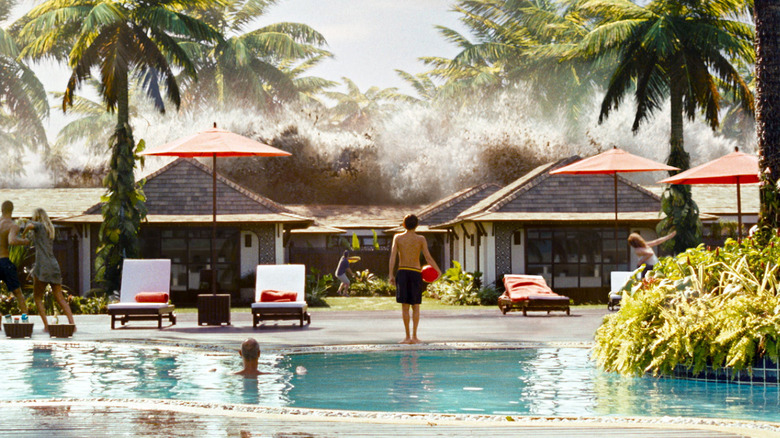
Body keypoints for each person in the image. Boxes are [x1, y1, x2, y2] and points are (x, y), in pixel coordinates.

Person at [388, 214, 441, 344]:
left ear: (404, 224)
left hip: (403, 272)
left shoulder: (398, 237)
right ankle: (415, 337)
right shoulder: (421, 239)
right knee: (415, 306)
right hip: (415, 273)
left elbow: (393, 257)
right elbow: (428, 257)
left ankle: (407, 337)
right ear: (417, 225)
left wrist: (391, 274)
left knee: (405, 307)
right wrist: (438, 271)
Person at [23, 208, 75, 332]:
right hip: (53, 264)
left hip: (43, 266)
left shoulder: (39, 226)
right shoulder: (50, 229)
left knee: (37, 297)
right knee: (60, 297)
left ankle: (46, 326)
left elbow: (29, 225)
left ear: (37, 216)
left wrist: (24, 233)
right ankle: (72, 324)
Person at [0, 200, 30, 316]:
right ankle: (25, 319)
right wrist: (25, 241)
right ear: (12, 211)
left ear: (1, 210)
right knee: (18, 292)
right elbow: (12, 241)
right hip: (4, 262)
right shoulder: (12, 225)